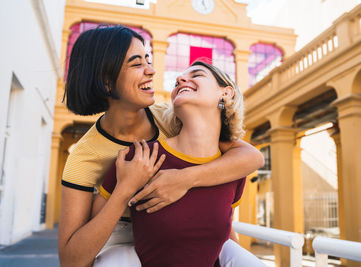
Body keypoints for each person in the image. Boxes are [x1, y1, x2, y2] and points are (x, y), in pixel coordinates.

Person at [58, 25, 265, 267]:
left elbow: (252, 158)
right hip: (113, 237)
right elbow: (71, 260)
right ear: (106, 82)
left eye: (148, 59)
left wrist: (183, 179)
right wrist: (125, 189)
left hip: (178, 238)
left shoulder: (172, 119)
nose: (152, 70)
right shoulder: (83, 157)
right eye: (137, 64)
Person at [97, 60, 254, 266]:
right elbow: (92, 237)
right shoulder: (139, 157)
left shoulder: (234, 168)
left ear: (226, 93)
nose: (180, 79)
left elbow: (224, 233)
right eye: (178, 81)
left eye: (196, 74)